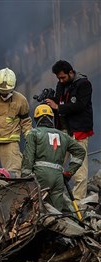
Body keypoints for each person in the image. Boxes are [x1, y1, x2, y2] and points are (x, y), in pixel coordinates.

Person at [21, 104, 85, 213]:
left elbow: (28, 157)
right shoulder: (63, 136)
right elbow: (80, 152)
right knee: (57, 213)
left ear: (36, 119)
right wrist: (69, 172)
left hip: (40, 175)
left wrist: (25, 177)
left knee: (35, 210)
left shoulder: (34, 133)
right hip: (58, 177)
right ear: (52, 118)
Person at [45, 60, 93, 201]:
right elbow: (59, 100)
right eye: (59, 78)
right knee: (55, 164)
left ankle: (79, 201)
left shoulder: (84, 84)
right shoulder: (61, 84)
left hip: (79, 131)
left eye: (63, 77)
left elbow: (80, 105)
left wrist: (57, 107)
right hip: (62, 131)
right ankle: (51, 197)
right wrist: (49, 100)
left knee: (79, 167)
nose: (61, 80)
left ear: (71, 72)